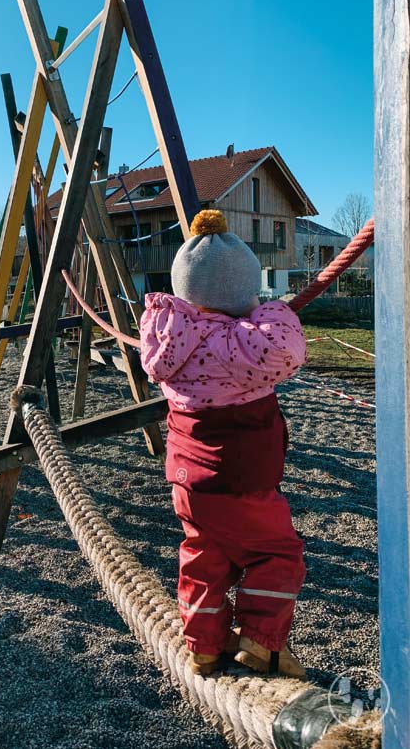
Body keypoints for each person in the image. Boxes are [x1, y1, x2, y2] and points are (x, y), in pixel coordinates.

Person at [139, 209, 307, 678]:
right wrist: (270, 306)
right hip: (241, 477)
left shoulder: (168, 337)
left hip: (188, 481)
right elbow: (290, 349)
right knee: (277, 553)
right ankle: (260, 640)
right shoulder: (244, 342)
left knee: (203, 556)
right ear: (242, 290)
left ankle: (204, 647)